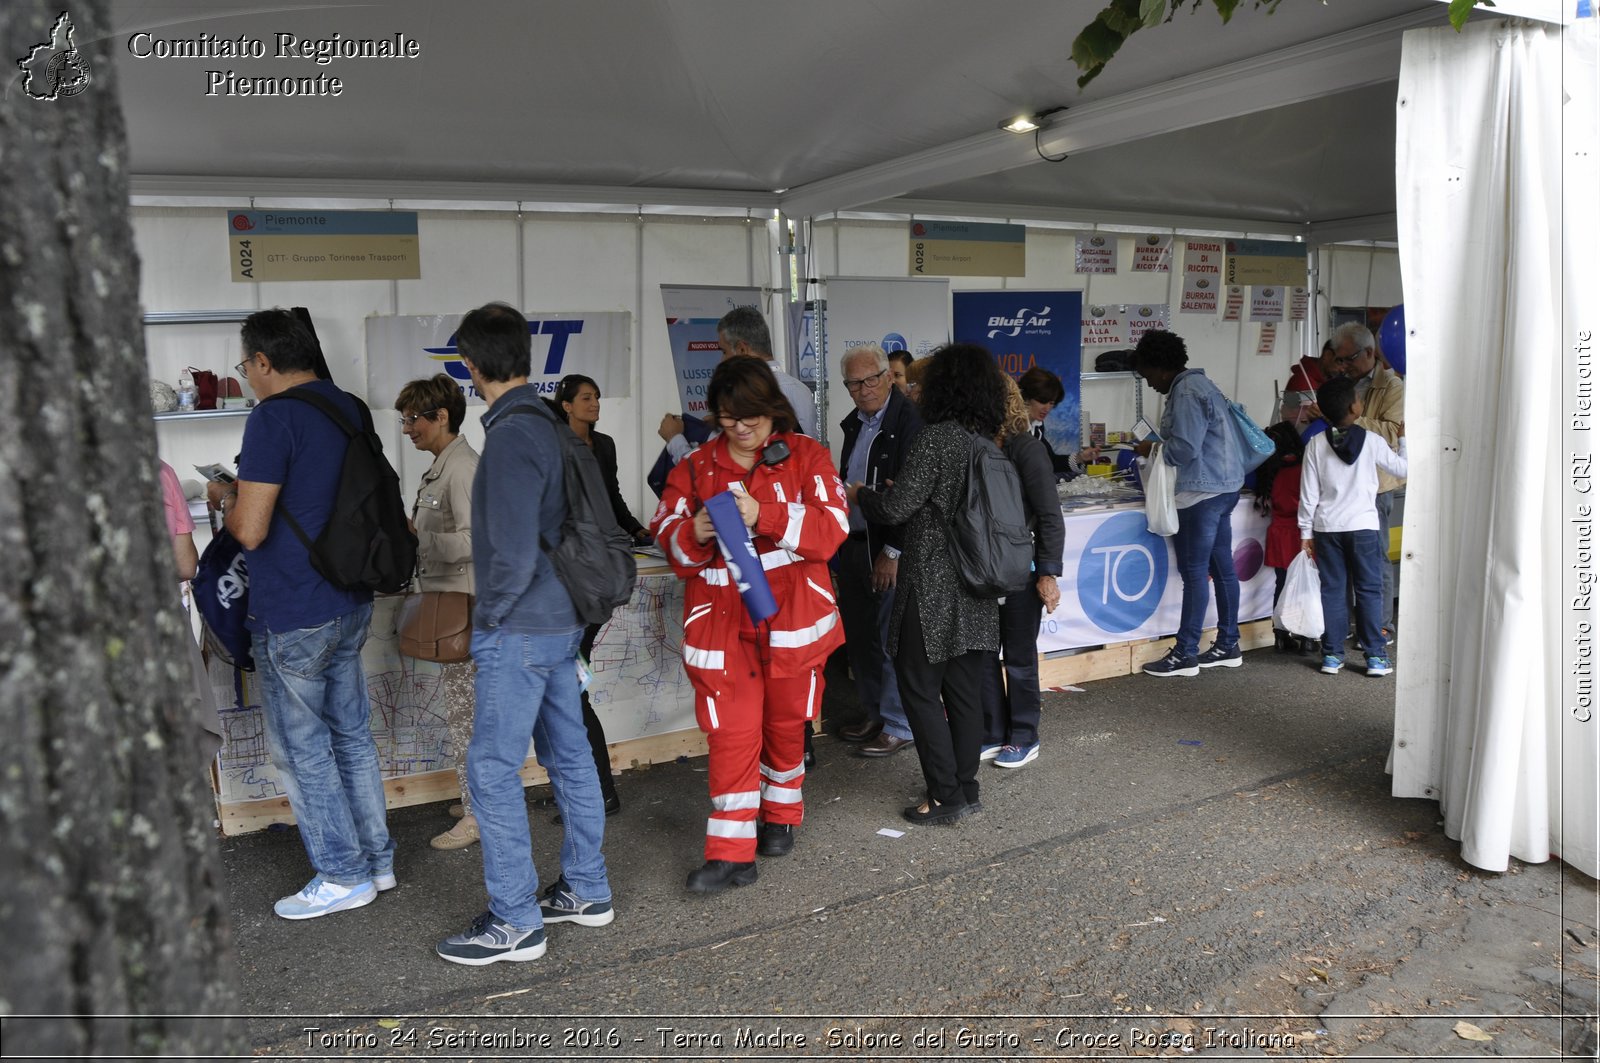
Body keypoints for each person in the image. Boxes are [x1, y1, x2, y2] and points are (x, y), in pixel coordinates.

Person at [436, 303, 614, 966]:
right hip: (560, 621)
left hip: (520, 628)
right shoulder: (546, 423)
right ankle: (587, 889)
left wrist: (490, 621)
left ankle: (514, 920)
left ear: (471, 366)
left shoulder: (510, 435)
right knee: (569, 756)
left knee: (489, 766)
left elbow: (509, 553)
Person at [207, 309, 394, 919]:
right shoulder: (348, 406)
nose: (247, 378)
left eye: (246, 367)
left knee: (302, 748)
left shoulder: (272, 418)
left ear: (263, 361)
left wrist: (227, 497)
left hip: (293, 605)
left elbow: (251, 531)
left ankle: (343, 875)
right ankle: (376, 860)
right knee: (352, 737)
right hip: (350, 596)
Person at [651, 357, 847, 892]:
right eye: (730, 415)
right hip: (721, 626)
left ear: (772, 409)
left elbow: (833, 530)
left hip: (793, 623)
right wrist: (693, 529)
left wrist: (765, 516)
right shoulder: (692, 467)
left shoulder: (807, 457)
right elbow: (666, 538)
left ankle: (781, 815)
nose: (741, 426)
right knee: (732, 733)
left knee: (785, 726)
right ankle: (730, 854)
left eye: (752, 415)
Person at [849, 343, 1007, 824]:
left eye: (921, 382)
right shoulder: (984, 440)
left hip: (933, 587)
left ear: (943, 387)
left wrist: (862, 494)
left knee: (918, 689)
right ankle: (966, 788)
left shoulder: (936, 439)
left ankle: (943, 795)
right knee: (962, 694)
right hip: (977, 587)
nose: (912, 388)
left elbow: (897, 510)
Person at [544, 372, 638, 821]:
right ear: (565, 404)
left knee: (569, 689)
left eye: (598, 396)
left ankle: (597, 791)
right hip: (576, 575)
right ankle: (586, 788)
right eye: (586, 397)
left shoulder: (603, 445)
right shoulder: (554, 445)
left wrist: (636, 530)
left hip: (587, 582)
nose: (595, 403)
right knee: (569, 688)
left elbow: (611, 499)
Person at [393, 374, 481, 851]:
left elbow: (478, 542)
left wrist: (417, 539)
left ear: (440, 416)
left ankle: (477, 816)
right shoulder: (441, 466)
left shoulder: (462, 467)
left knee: (469, 721)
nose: (407, 429)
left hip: (466, 609)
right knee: (462, 714)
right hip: (451, 604)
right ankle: (475, 799)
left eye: (412, 419)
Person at [1132, 329, 1246, 678]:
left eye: (1148, 375)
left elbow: (1183, 450)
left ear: (1161, 368)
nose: (1149, 383)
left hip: (1200, 494)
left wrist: (1148, 448)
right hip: (1225, 488)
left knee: (1195, 573)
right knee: (1223, 568)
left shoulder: (1185, 393)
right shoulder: (1204, 385)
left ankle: (1185, 653)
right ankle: (1228, 644)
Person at [833, 344, 924, 758]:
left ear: (889, 377)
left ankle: (898, 723)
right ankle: (874, 713)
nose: (864, 388)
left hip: (887, 547)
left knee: (891, 640)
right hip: (852, 542)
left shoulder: (909, 421)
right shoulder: (855, 423)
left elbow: (910, 496)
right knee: (862, 639)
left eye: (872, 378)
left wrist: (893, 550)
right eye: (854, 383)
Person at [979, 376, 1065, 769]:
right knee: (981, 654)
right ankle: (993, 731)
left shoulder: (1026, 449)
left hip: (1021, 569)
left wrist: (1047, 572)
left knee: (1018, 656)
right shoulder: (975, 446)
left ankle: (1024, 734)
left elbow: (1049, 514)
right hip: (982, 569)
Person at [1298, 376, 1407, 678]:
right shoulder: (1373, 441)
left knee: (1332, 590)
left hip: (1327, 527)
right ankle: (1375, 656)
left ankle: (1332, 655)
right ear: (1355, 406)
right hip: (1363, 527)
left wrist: (1305, 533)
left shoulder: (1316, 445)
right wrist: (1404, 441)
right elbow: (1404, 469)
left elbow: (1308, 495)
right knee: (1369, 589)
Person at [1333, 322, 1406, 643]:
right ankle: (1359, 622)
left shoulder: (1392, 386)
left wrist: (1345, 418)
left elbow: (1394, 432)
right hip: (1344, 483)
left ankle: (1382, 625)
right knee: (1347, 559)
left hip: (1376, 485)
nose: (1343, 366)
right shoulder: (1341, 383)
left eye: (1348, 359)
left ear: (1369, 353)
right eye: (1339, 360)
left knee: (1376, 556)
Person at [1254, 422, 1314, 655]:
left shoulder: (1270, 469)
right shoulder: (1304, 468)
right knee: (1306, 585)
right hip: (1301, 533)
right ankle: (1307, 637)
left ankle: (1280, 634)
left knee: (1282, 584)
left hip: (1278, 532)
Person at [1017, 366, 1098, 480]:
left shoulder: (1037, 427)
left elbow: (1049, 461)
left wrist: (1080, 458)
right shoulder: (1013, 428)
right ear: (1026, 398)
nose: (1047, 408)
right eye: (1042, 401)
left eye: (1051, 403)